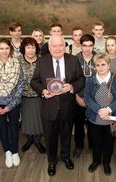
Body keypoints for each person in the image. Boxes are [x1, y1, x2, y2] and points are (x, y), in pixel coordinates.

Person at [30, 35, 85, 176]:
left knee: (66, 134)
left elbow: (81, 80)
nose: (58, 48)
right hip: (49, 107)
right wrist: (42, 91)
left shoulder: (73, 60)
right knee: (50, 137)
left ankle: (65, 157)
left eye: (61, 45)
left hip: (67, 107)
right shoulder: (42, 62)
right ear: (49, 47)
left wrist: (71, 87)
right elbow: (34, 81)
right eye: (54, 46)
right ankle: (52, 161)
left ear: (65, 46)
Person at [84, 53, 116, 175]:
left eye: (103, 64)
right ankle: (96, 161)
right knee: (96, 141)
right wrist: (98, 109)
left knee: (109, 142)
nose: (100, 67)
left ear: (108, 65)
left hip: (111, 117)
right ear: (94, 66)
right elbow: (87, 97)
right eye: (98, 65)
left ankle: (106, 162)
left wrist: (109, 109)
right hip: (95, 117)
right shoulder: (91, 79)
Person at [0, 39, 24, 168]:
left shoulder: (17, 64)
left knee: (13, 127)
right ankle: (7, 152)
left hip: (13, 103)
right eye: (1, 48)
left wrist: (9, 106)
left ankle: (14, 152)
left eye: (6, 48)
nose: (4, 51)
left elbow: (20, 86)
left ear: (10, 49)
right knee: (2, 128)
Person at [18, 37, 46, 154]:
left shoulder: (42, 60)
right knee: (27, 120)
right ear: (23, 48)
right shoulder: (17, 60)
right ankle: (29, 140)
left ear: (36, 48)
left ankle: (37, 141)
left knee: (39, 120)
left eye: (33, 47)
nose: (30, 50)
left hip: (40, 96)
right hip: (24, 96)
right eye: (28, 47)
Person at [73, 34, 97, 158]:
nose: (87, 49)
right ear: (80, 46)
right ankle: (79, 146)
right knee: (79, 124)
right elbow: (71, 80)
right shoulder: (74, 59)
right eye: (84, 46)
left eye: (90, 45)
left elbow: (103, 80)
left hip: (94, 99)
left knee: (94, 124)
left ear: (93, 46)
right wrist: (77, 97)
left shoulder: (99, 59)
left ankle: (93, 145)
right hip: (79, 98)